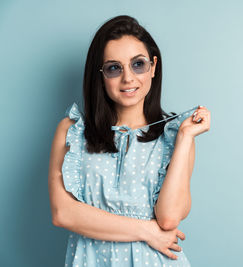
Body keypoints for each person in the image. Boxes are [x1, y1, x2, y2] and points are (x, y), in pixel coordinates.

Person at [48, 15, 210, 267]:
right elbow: (63, 213)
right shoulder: (72, 131)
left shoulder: (175, 137)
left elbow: (168, 220)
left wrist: (186, 137)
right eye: (114, 67)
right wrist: (147, 231)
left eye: (138, 64)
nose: (128, 78)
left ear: (154, 66)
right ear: (100, 75)